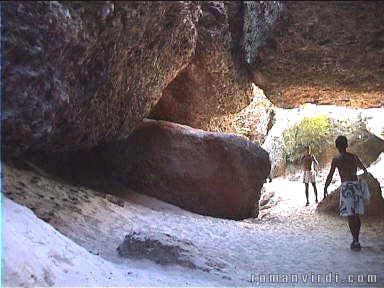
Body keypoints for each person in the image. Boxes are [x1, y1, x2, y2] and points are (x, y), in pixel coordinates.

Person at [324, 135, 369, 251]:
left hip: (346, 188)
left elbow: (330, 175)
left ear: (337, 146)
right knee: (357, 214)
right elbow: (364, 170)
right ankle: (357, 239)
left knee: (350, 216)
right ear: (346, 145)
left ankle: (354, 240)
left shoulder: (337, 160)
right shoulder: (354, 157)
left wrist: (325, 187)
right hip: (356, 186)